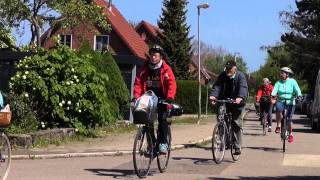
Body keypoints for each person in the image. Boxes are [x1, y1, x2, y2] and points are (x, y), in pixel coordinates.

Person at [132, 44, 176, 154]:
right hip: (148, 98)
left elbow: (172, 84)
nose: (153, 57)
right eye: (151, 55)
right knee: (146, 120)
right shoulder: (144, 69)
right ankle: (151, 143)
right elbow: (138, 83)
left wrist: (170, 97)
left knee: (162, 119)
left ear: (160, 57)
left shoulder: (165, 69)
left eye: (155, 56)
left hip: (162, 98)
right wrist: (136, 98)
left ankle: (163, 143)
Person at [209, 60, 248, 155]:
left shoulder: (240, 76)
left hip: (237, 102)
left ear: (235, 68)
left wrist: (240, 97)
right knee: (221, 117)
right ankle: (224, 140)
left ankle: (237, 146)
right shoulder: (223, 75)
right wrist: (213, 96)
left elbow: (243, 87)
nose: (228, 71)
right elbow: (217, 86)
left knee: (236, 123)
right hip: (225, 101)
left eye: (230, 69)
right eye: (227, 69)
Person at [271, 67, 302, 143]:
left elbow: (297, 89)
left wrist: (299, 95)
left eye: (283, 73)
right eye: (280, 73)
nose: (281, 74)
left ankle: (291, 134)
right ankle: (278, 126)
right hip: (281, 100)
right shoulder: (278, 83)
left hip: (290, 102)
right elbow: (274, 90)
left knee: (289, 120)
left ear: (287, 74)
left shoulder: (292, 81)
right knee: (278, 109)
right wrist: (273, 95)